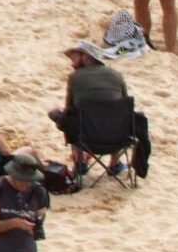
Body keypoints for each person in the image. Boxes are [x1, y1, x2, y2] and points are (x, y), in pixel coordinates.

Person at [52, 40, 129, 173]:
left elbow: (69, 109)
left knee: (63, 115)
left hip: (87, 138)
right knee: (117, 115)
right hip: (117, 138)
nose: (72, 61)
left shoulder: (75, 77)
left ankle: (80, 161)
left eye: (75, 56)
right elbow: (125, 105)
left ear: (87, 58)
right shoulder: (117, 75)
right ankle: (115, 163)